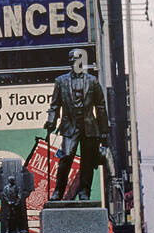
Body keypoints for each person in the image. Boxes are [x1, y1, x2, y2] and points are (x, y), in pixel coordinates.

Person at [44, 49, 110, 200]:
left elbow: (100, 106)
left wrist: (104, 130)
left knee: (88, 161)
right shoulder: (61, 81)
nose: (77, 64)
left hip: (89, 126)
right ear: (70, 62)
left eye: (80, 61)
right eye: (74, 61)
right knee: (66, 158)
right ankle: (58, 192)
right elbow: (55, 105)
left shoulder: (92, 81)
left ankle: (84, 192)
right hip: (70, 126)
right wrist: (51, 121)